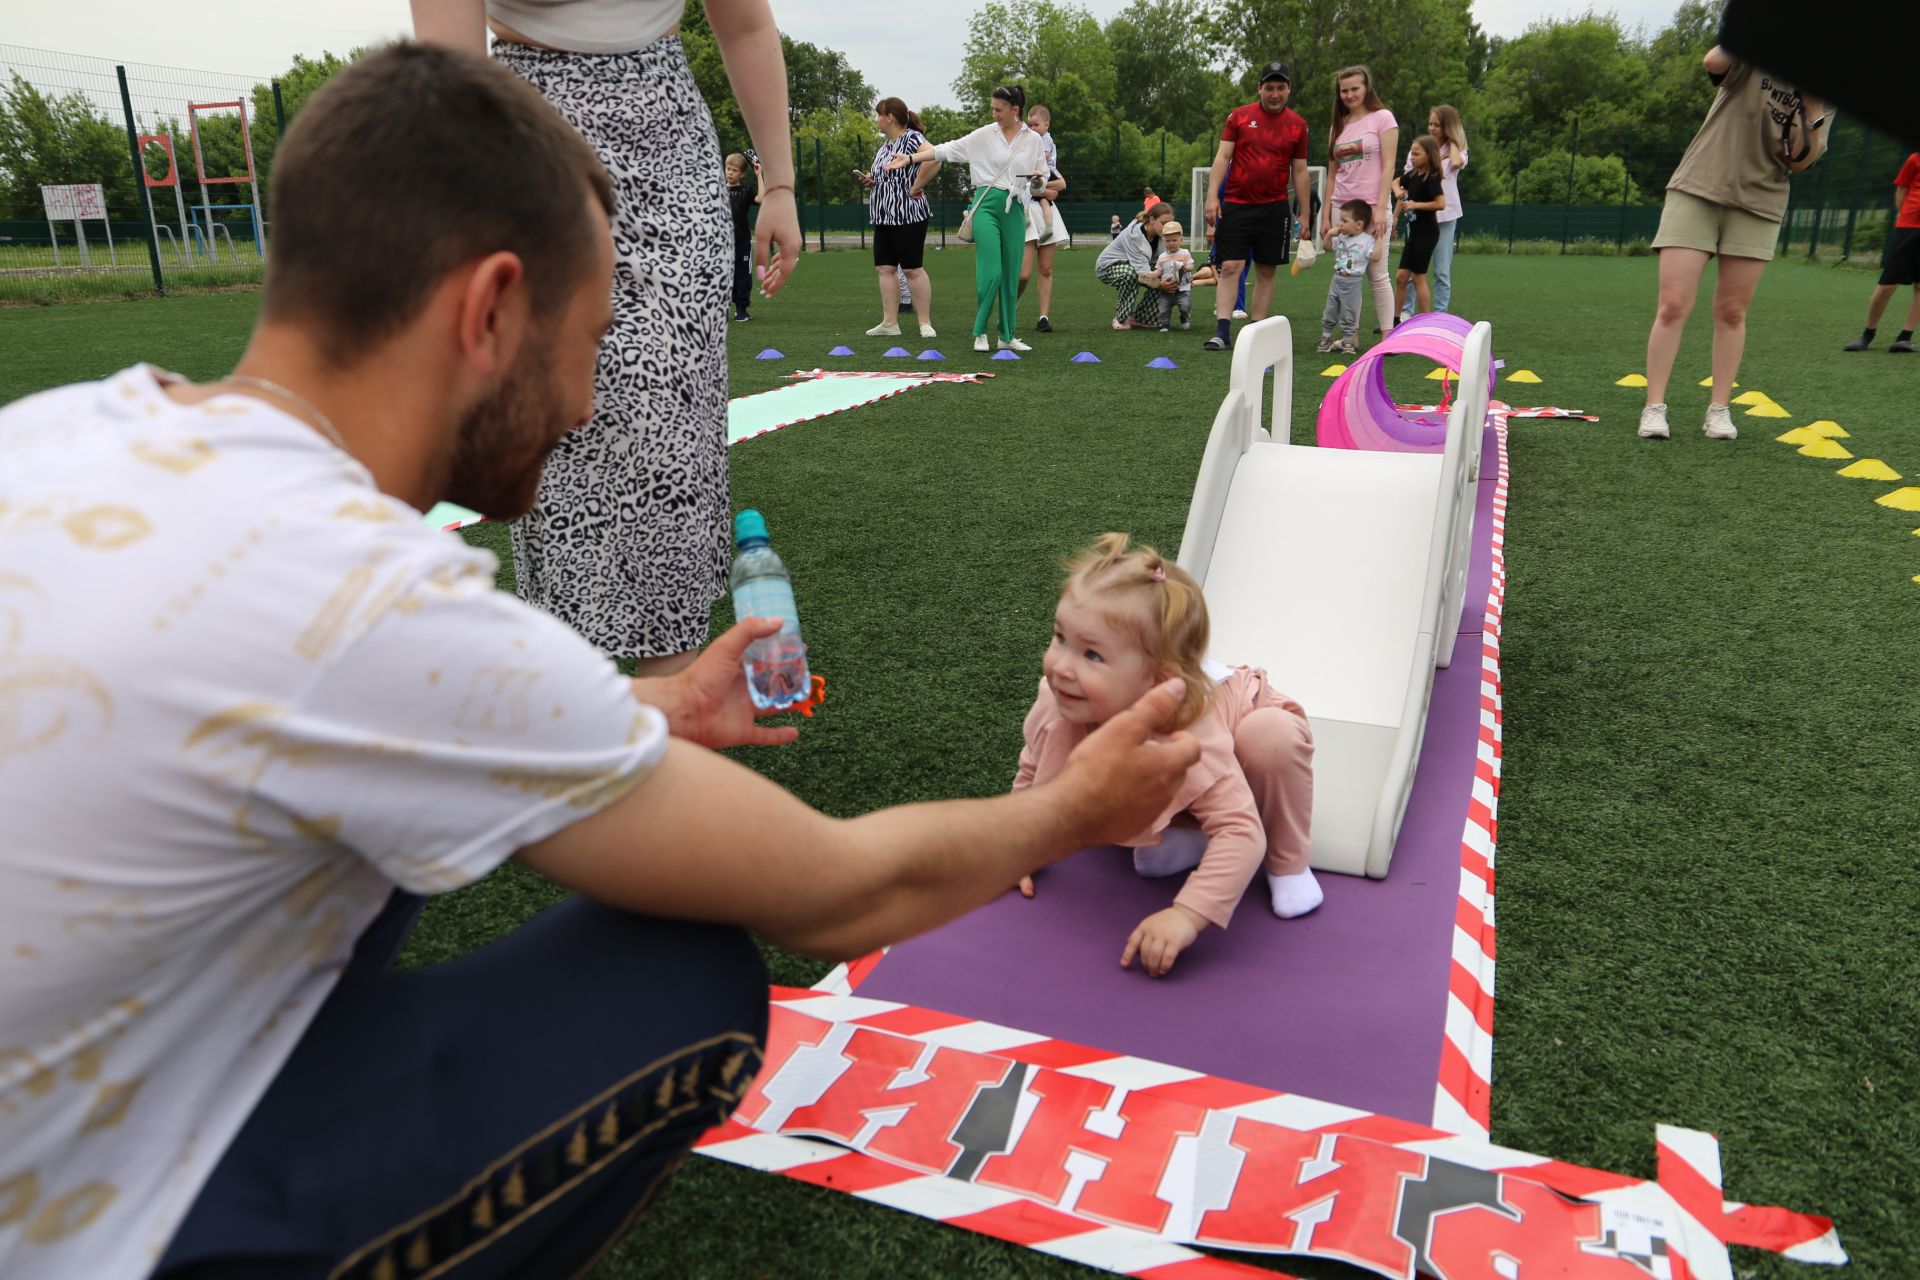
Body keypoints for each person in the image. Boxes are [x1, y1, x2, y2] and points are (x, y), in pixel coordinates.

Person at [0, 45, 1201, 1280]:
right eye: (593, 339)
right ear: (490, 310)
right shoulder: (363, 604)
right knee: (678, 978)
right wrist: (1070, 810)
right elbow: (836, 892)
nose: (586, 403)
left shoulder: (67, 433)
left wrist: (656, 701)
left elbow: (293, 699)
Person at [410, 0, 799, 678]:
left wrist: (781, 184)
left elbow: (745, 24)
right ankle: (572, 690)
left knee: (672, 437)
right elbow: (453, 66)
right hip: (529, 143)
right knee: (559, 428)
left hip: (671, 149)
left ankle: (669, 696)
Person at [1013, 534, 1323, 979]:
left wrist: (1186, 914)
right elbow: (1034, 765)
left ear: (1157, 681)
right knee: (1172, 793)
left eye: (1092, 654)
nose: (1062, 665)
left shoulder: (1191, 735)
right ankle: (1187, 832)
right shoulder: (1062, 698)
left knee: (1268, 738)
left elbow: (1241, 832)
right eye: (1060, 638)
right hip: (1174, 769)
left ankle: (1289, 865)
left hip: (1247, 727)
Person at [1637, 46, 1830, 441]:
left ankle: (1719, 410)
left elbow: (1802, 161)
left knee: (1732, 311)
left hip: (1760, 203)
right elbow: (1713, 62)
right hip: (1698, 189)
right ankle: (1654, 408)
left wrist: (1811, 108)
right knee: (1673, 304)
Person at [887, 85, 1046, 354]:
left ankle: (1007, 335)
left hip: (1016, 207)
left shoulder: (1033, 140)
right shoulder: (984, 135)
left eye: (999, 109)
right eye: (993, 108)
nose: (994, 114)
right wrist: (911, 158)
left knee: (1011, 275)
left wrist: (1039, 180)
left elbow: (1040, 182)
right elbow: (945, 150)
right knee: (992, 272)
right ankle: (980, 331)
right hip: (985, 205)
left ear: (1015, 110)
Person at [1201, 61, 1311, 352]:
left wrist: (1305, 213)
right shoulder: (1238, 117)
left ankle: (1253, 334)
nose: (1275, 94)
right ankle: (1222, 332)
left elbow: (1299, 171)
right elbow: (1223, 157)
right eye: (1269, 87)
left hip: (1274, 208)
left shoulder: (1298, 125)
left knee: (1266, 270)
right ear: (1259, 88)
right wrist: (1213, 195)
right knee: (1230, 265)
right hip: (1236, 204)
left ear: (1288, 89)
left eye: (1280, 88)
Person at [1322, 65, 1399, 342]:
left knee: (1378, 273)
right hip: (1342, 207)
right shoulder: (1338, 126)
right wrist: (1326, 215)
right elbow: (1332, 174)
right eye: (1344, 90)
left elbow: (1389, 165)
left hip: (1371, 208)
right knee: (1347, 272)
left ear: (1366, 88)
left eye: (1355, 88)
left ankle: (1388, 337)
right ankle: (1349, 335)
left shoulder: (1383, 118)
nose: (1350, 94)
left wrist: (1380, 208)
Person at [857, 96, 938, 339]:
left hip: (908, 214)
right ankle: (890, 323)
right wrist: (872, 179)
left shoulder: (910, 138)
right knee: (885, 268)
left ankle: (925, 323)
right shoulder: (885, 146)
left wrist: (917, 185)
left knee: (912, 269)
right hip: (884, 216)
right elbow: (888, 176)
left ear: (889, 117)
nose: (877, 120)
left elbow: (934, 157)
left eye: (878, 115)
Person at [1842, 151, 1920, 353]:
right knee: (1887, 286)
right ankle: (1867, 334)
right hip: (1909, 228)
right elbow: (1902, 190)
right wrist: (1905, 219)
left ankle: (1905, 337)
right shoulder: (1915, 159)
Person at [1399, 104, 1468, 320]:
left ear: (1448, 127)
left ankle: (1440, 315)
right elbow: (1406, 179)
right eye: (1430, 123)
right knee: (1412, 267)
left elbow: (1457, 162)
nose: (1432, 128)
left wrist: (1453, 142)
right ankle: (1406, 312)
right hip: (1419, 216)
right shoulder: (1419, 149)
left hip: (1445, 217)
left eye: (1438, 124)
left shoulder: (1454, 150)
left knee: (1441, 270)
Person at [1018, 104, 1070, 333]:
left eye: (1036, 124)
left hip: (1045, 211)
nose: (1032, 128)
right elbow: (1018, 183)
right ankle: (1011, 305)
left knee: (1046, 268)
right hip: (1026, 210)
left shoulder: (1046, 148)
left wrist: (1042, 187)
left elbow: (1061, 184)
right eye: (1029, 125)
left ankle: (1043, 317)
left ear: (1047, 125)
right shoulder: (1022, 148)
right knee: (1023, 273)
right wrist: (1039, 190)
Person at [1096, 201, 1179, 329]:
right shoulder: (1134, 236)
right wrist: (1161, 285)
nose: (1167, 228)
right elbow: (1142, 273)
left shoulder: (1163, 236)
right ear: (1152, 219)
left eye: (1170, 224)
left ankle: (1141, 318)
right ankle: (1121, 319)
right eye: (1163, 223)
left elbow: (1166, 263)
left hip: (1139, 268)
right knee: (1130, 274)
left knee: (1168, 279)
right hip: (1108, 267)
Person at [1391, 135, 1447, 321]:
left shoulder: (1431, 178)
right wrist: (1400, 193)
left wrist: (1415, 205)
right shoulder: (1413, 174)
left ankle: (1426, 321)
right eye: (1411, 154)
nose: (1412, 157)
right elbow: (1395, 182)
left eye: (1416, 154)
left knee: (1418, 277)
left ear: (1428, 155)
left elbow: (1440, 203)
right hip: (1414, 232)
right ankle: (1395, 320)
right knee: (1400, 277)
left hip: (1427, 232)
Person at [1318, 198, 1379, 354]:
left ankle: (1347, 340)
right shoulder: (1341, 237)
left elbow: (1376, 257)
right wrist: (1329, 235)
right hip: (1337, 279)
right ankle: (1326, 336)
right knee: (1330, 309)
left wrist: (1380, 238)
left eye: (1344, 221)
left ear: (1359, 224)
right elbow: (1327, 248)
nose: (1340, 224)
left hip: (1353, 281)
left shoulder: (1366, 241)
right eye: (1340, 220)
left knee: (1349, 311)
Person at [724, 151, 755, 322]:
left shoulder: (745, 191)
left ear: (741, 173)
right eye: (728, 169)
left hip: (742, 240)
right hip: (721, 242)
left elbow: (762, 197)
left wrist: (759, 174)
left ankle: (741, 309)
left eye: (734, 170)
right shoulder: (717, 189)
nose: (730, 172)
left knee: (742, 275)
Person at [1154, 219, 1196, 331]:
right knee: (1163, 309)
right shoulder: (1162, 256)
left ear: (1181, 240)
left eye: (1174, 240)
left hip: (1182, 290)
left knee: (1185, 306)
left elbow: (1191, 265)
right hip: (1166, 291)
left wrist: (1186, 267)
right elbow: (1158, 271)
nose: (1171, 243)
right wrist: (1151, 275)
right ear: (1163, 240)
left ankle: (1184, 318)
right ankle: (1165, 324)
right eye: (1168, 241)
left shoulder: (1184, 253)